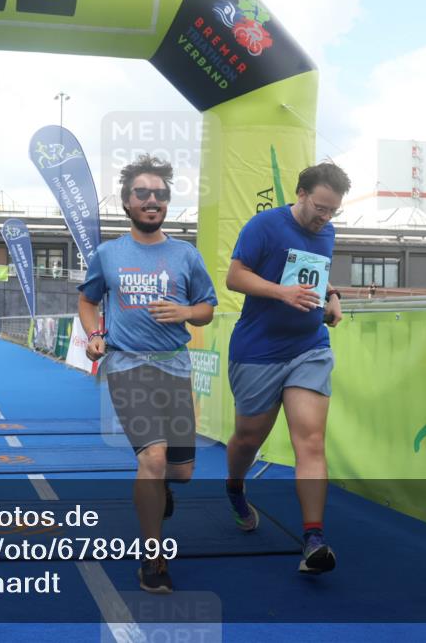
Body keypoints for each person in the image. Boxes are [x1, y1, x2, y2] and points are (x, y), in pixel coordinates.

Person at [78, 154, 217, 594]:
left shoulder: (185, 255)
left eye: (159, 194)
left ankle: (162, 493)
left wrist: (186, 311)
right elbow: (87, 301)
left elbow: (207, 310)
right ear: (126, 203)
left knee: (182, 472)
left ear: (167, 204)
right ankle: (152, 560)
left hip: (174, 366)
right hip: (127, 364)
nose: (151, 199)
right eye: (142, 193)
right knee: (151, 459)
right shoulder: (109, 254)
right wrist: (96, 333)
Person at [224, 161, 350, 576]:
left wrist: (331, 297)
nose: (325, 217)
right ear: (300, 194)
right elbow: (235, 277)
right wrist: (281, 292)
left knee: (310, 442)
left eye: (333, 211)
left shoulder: (326, 232)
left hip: (308, 347)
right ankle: (236, 486)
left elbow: (316, 274)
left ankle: (314, 538)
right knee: (247, 439)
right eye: (319, 207)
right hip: (258, 350)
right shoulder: (264, 226)